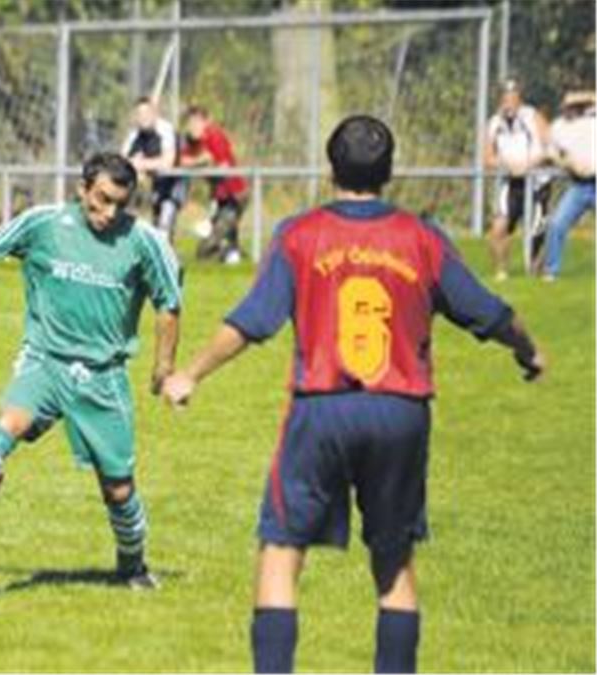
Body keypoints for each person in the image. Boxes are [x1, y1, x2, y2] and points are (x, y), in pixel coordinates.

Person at [161, 115, 545, 673]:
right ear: (390, 171)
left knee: (280, 553)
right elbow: (486, 311)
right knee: (393, 564)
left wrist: (190, 372)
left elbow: (252, 321)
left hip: (322, 409)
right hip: (401, 411)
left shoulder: (299, 234)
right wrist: (527, 348)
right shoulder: (421, 238)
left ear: (330, 165)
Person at [0, 152, 182, 587]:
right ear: (82, 189)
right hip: (45, 361)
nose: (110, 213)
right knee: (6, 428)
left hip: (103, 376)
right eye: (101, 200)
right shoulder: (43, 223)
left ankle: (133, 566)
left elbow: (169, 304)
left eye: (120, 204)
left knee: (118, 489)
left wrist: (164, 365)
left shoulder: (144, 240)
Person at [484, 79, 551, 281]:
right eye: (505, 97)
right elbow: (487, 158)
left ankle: (536, 271)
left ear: (519, 98)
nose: (508, 102)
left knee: (535, 233)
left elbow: (549, 147)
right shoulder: (495, 122)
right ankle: (501, 272)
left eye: (513, 97)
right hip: (511, 183)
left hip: (537, 182)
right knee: (498, 228)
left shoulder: (532, 116)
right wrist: (506, 165)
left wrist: (530, 164)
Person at [179, 104, 249, 264]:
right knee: (227, 235)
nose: (193, 127)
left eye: (197, 122)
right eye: (190, 123)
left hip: (235, 194)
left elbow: (223, 167)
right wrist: (202, 160)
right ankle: (232, 254)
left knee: (208, 246)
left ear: (206, 122)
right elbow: (183, 160)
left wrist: (202, 161)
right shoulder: (191, 141)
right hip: (219, 197)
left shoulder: (214, 135)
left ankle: (228, 254)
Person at [540, 89, 596, 281]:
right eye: (568, 104)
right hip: (579, 185)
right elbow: (551, 153)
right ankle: (551, 270)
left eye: (575, 104)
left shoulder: (592, 119)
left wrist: (587, 97)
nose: (571, 108)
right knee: (557, 225)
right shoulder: (559, 127)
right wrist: (569, 163)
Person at [122, 97, 182, 240]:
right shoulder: (134, 134)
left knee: (164, 226)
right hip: (148, 186)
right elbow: (122, 161)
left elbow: (168, 162)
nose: (143, 118)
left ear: (155, 113)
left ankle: (166, 257)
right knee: (148, 227)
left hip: (171, 185)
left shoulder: (165, 129)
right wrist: (137, 165)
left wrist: (141, 164)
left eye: (147, 113)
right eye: (139, 114)